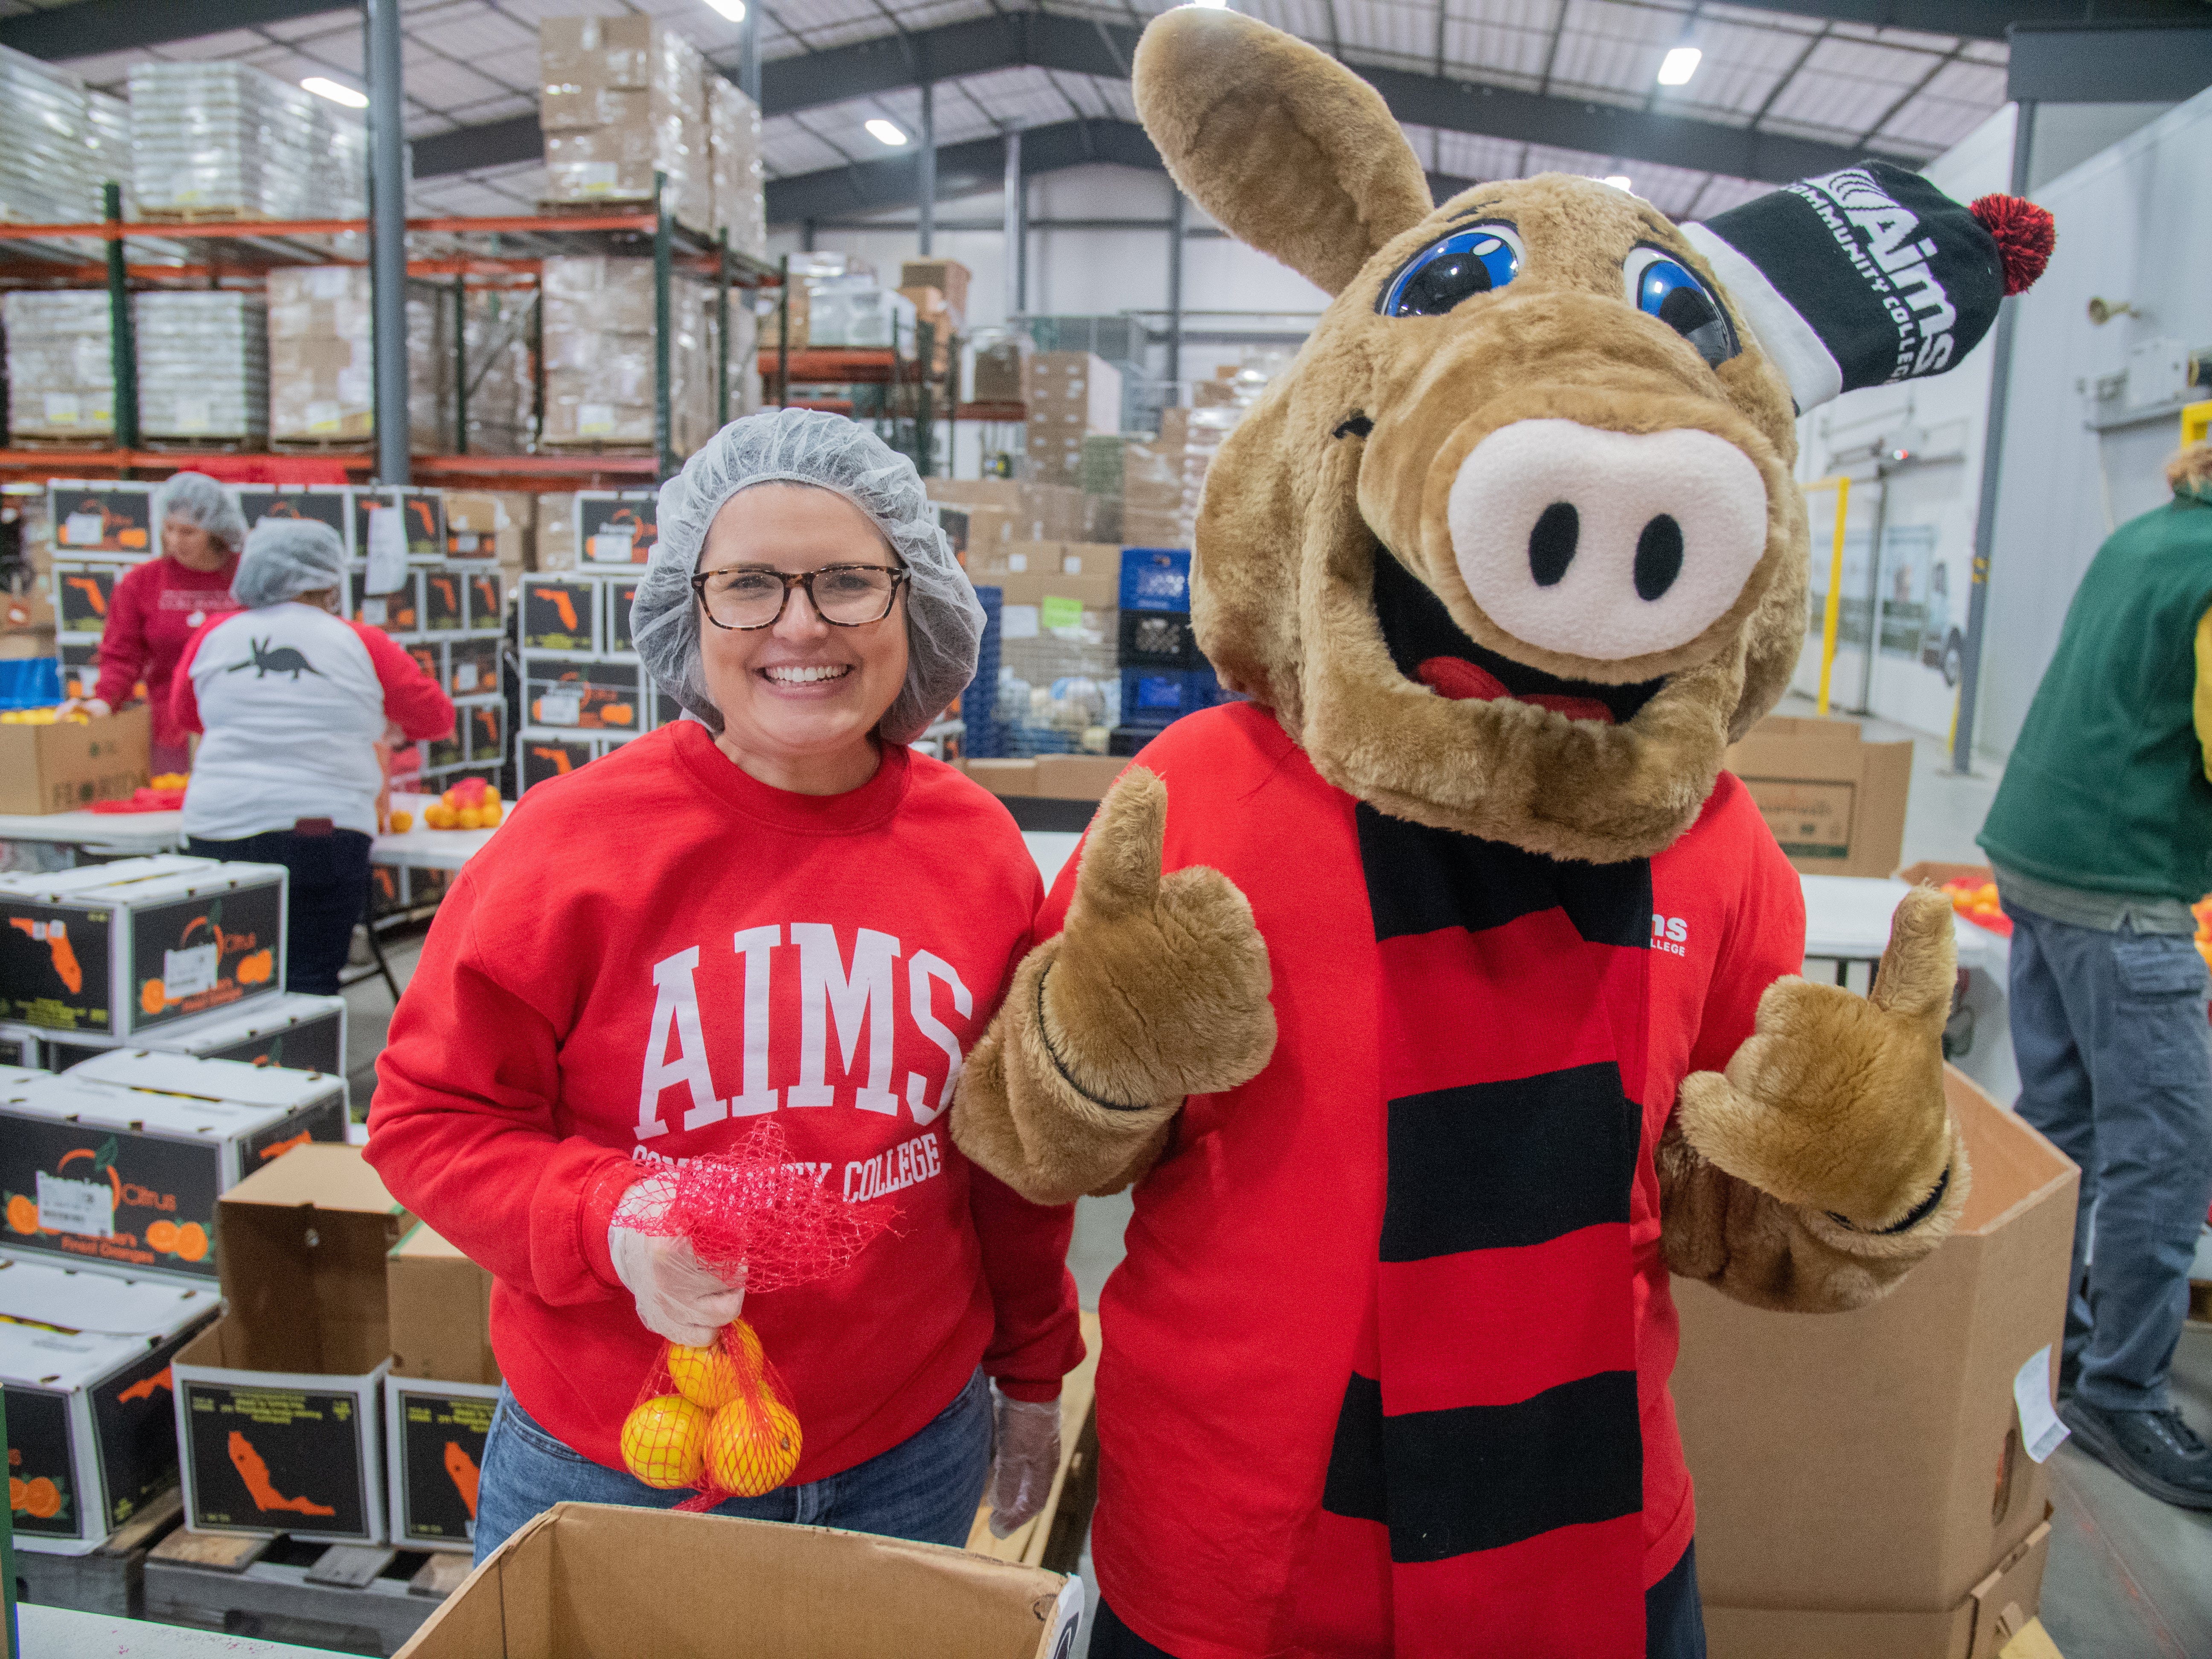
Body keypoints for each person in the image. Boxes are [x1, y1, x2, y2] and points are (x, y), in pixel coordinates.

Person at [364, 409, 1083, 1564]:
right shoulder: (571, 844)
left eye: (849, 580)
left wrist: (1036, 1375)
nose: (801, 625)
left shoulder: (980, 852)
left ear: (918, 603)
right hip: (614, 1461)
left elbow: (1012, 1159)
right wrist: (616, 1221)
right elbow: (428, 1123)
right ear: (687, 613)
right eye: (748, 584)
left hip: (907, 1450)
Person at [1978, 440, 2212, 1511]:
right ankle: (2121, 1390)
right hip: (2121, 887)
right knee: (2161, 1153)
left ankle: (2042, 1338)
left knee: (2060, 1125)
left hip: (2038, 858)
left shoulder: (2149, 534)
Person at [170, 518, 454, 995]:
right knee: (307, 983)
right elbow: (436, 717)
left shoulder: (215, 635)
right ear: (328, 579)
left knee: (225, 984)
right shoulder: (361, 641)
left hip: (216, 827)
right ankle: (303, 1064)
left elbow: (187, 714)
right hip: (320, 834)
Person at [65, 472, 248, 774]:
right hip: (170, 732)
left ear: (216, 531)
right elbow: (121, 655)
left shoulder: (249, 578)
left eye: (189, 532)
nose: (176, 541)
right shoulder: (142, 583)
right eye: (169, 529)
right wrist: (104, 700)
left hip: (242, 726)